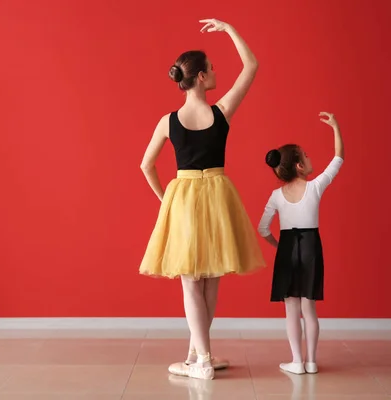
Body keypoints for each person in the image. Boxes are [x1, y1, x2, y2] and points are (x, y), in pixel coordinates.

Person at [138, 18, 266, 380]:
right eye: (210, 68)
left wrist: (166, 198)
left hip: (184, 196)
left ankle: (199, 356)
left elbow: (146, 165)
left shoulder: (168, 121)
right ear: (199, 78)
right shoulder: (221, 112)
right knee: (208, 281)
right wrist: (229, 30)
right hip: (217, 195)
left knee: (192, 281)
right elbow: (252, 66)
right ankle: (202, 357)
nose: (214, 72)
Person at [257, 112, 344, 375]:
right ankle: (312, 361)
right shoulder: (315, 187)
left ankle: (296, 361)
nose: (309, 158)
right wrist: (336, 127)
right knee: (310, 307)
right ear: (298, 166)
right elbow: (338, 158)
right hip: (311, 248)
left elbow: (262, 229)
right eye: (305, 155)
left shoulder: (276, 196)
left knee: (291, 309)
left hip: (287, 249)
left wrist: (279, 247)